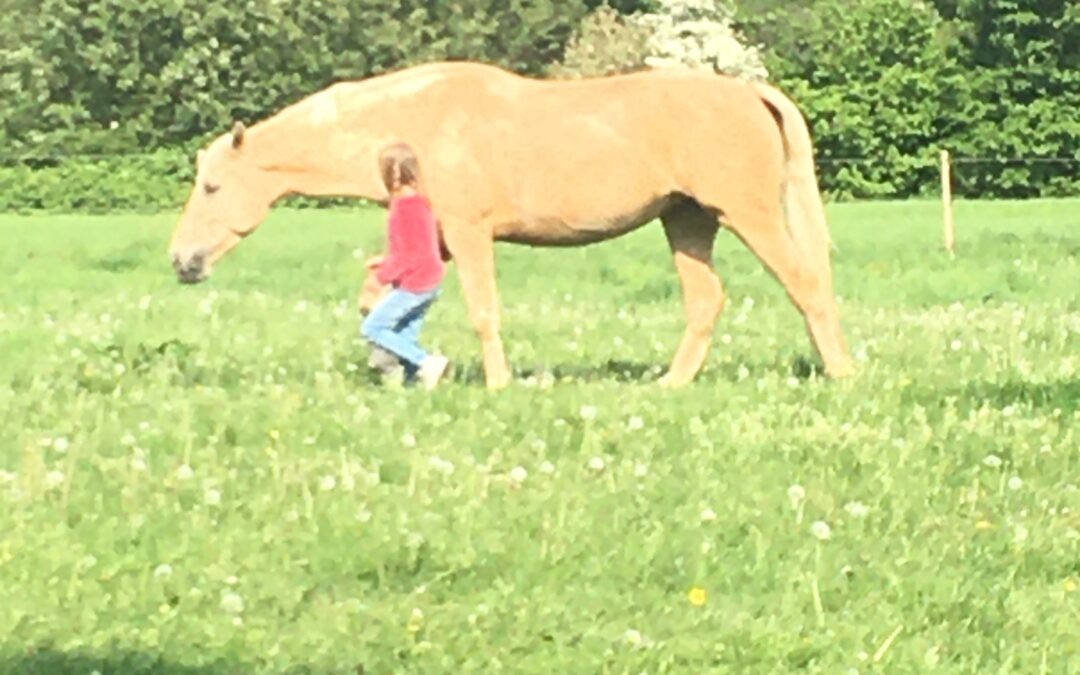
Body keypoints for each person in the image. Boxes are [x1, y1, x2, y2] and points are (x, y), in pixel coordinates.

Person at [361, 142, 450, 390]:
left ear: (394, 175)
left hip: (416, 284)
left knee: (373, 327)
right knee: (403, 336)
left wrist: (380, 278)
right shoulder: (421, 203)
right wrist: (385, 261)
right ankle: (413, 383)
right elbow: (417, 246)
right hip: (430, 280)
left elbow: (408, 256)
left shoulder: (404, 208)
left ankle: (428, 363)